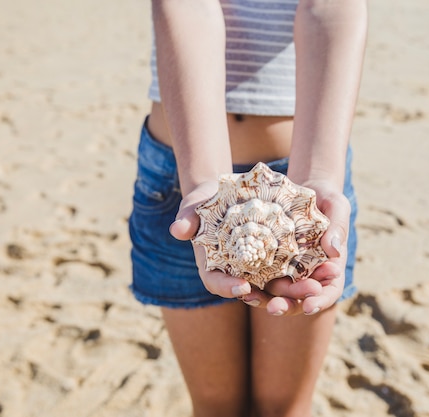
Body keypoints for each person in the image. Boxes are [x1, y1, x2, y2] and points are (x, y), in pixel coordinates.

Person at [129, 0, 368, 415]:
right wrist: (205, 183)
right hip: (184, 177)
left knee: (284, 408)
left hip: (302, 190)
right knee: (216, 406)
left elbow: (329, 5)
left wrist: (319, 178)